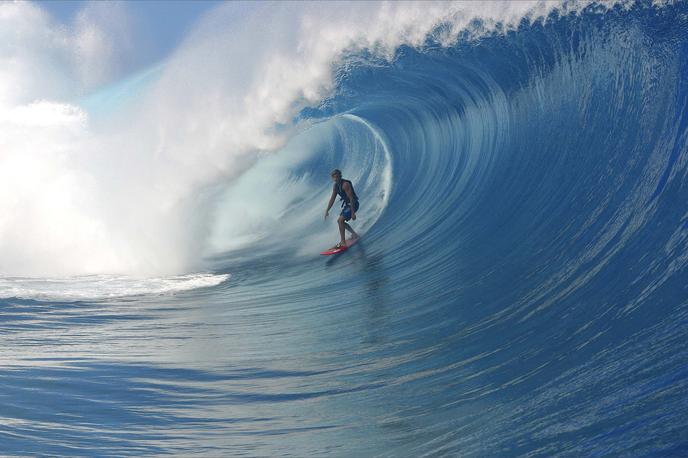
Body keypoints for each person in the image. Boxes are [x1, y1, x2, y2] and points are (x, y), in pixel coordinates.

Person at [324, 169, 359, 248]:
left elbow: (351, 198)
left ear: (340, 176)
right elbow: (332, 198)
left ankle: (343, 242)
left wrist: (353, 213)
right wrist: (327, 210)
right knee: (340, 221)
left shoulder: (345, 184)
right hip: (348, 205)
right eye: (334, 178)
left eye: (337, 177)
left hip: (354, 204)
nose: (335, 179)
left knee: (340, 221)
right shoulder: (335, 186)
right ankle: (354, 234)